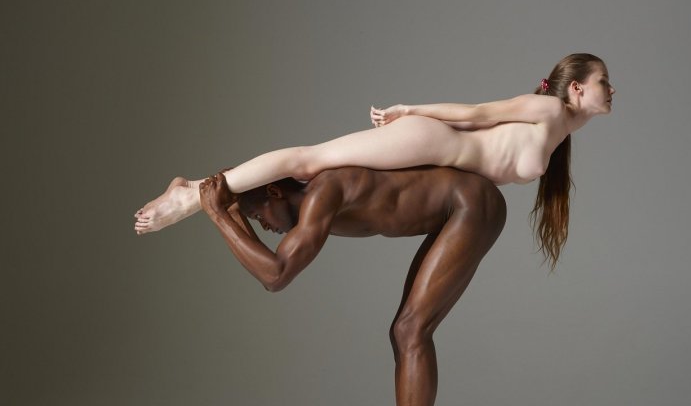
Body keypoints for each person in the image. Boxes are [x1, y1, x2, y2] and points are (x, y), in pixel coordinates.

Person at [135, 53, 615, 270]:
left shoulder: (559, 134)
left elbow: (485, 130)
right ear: (576, 88)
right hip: (431, 141)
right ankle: (192, 192)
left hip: (439, 153)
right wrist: (411, 110)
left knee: (311, 163)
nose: (611, 89)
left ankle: (195, 192)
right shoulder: (549, 110)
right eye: (603, 81)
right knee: (308, 162)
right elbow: (477, 113)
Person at [198, 165, 507, 406]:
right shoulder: (314, 202)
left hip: (470, 204)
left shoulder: (323, 193)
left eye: (259, 216)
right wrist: (232, 210)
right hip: (455, 210)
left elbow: (275, 275)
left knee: (410, 331)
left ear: (274, 191)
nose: (264, 226)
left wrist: (218, 215)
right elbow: (270, 268)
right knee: (405, 333)